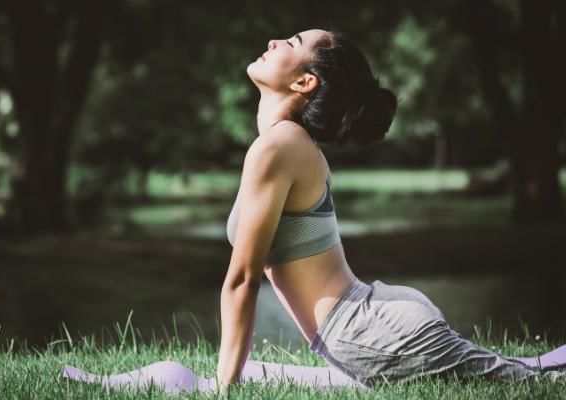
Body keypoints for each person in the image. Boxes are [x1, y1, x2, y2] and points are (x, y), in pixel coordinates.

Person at [63, 28, 565, 395]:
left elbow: (241, 280)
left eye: (293, 42)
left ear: (304, 82)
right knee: (525, 369)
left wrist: (224, 391)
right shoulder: (284, 144)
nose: (277, 41)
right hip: (365, 333)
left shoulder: (280, 147)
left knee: (524, 376)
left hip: (370, 335)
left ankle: (107, 383)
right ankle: (99, 382)